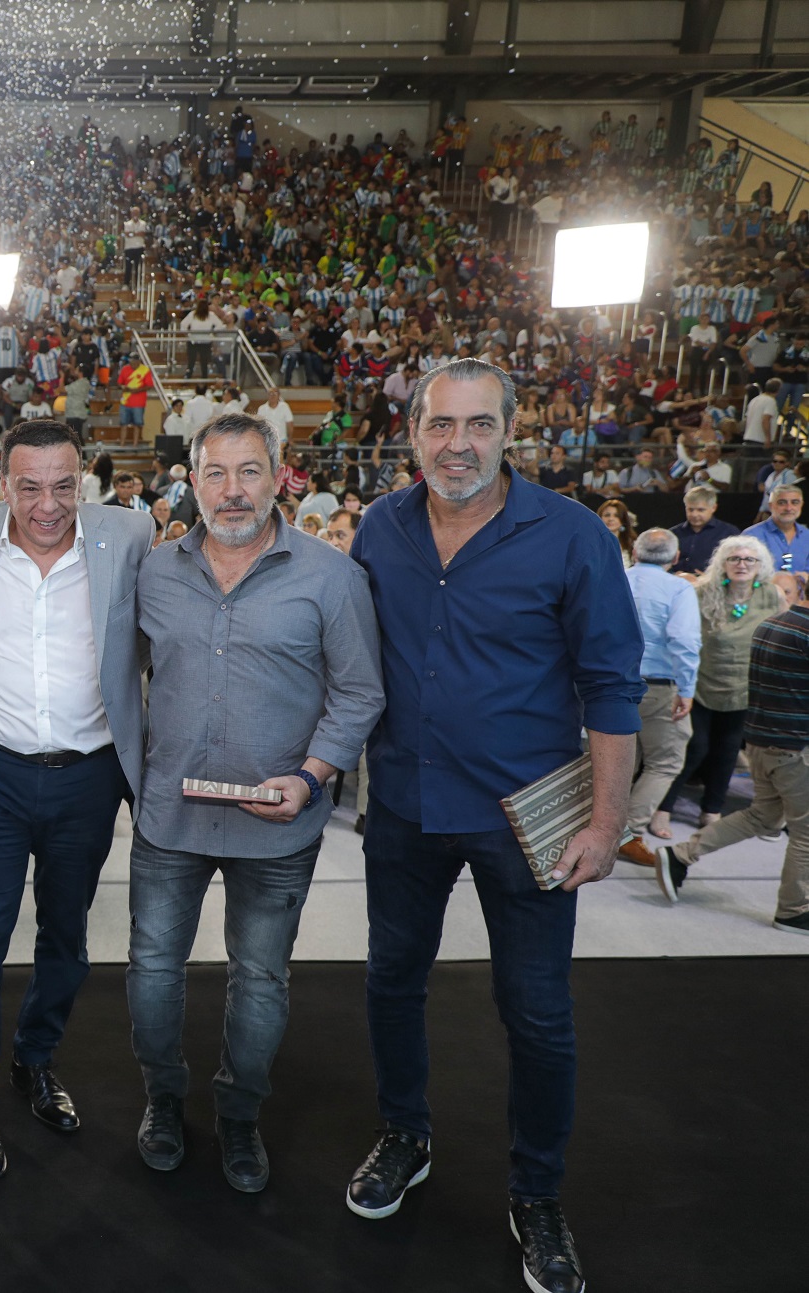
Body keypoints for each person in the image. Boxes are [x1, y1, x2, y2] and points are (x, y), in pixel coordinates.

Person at [347, 358, 642, 1293]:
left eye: (478, 425)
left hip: (529, 820)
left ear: (510, 431)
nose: (457, 444)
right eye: (440, 425)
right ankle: (405, 1134)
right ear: (413, 433)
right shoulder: (379, 529)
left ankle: (538, 1193)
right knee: (393, 982)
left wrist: (606, 822)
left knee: (539, 1015)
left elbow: (612, 685)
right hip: (402, 804)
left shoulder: (571, 535)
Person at [128, 411, 382, 1193]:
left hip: (280, 823)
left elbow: (361, 690)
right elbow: (118, 672)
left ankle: (241, 1112)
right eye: (215, 473)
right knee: (152, 969)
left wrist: (309, 777)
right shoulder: (154, 572)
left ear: (279, 476)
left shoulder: (331, 576)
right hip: (170, 818)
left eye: (248, 472)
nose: (232, 491)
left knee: (261, 978)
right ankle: (163, 1099)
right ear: (192, 479)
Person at [0, 419, 152, 1179]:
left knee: (68, 937)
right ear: (2, 483)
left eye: (64, 485)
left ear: (84, 480)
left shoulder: (129, 533)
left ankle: (35, 1058)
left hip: (88, 773)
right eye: (30, 486)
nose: (48, 504)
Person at [649, 587, 809, 922]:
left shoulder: (772, 624)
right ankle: (794, 911)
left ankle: (681, 855)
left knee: (761, 817)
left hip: (762, 744)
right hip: (796, 750)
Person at [652, 537, 785, 837]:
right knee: (694, 748)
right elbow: (680, 637)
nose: (742, 564)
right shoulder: (702, 592)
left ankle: (711, 810)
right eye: (735, 559)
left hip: (745, 690)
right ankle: (663, 808)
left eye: (749, 560)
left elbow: (782, 636)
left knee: (727, 752)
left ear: (760, 565)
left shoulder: (771, 596)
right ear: (722, 564)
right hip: (699, 686)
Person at [613, 530, 701, 869]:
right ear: (676, 559)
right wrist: (687, 689)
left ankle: (602, 827)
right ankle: (628, 833)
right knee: (665, 762)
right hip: (658, 686)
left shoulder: (615, 578)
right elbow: (684, 641)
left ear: (634, 551)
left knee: (618, 761)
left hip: (608, 684)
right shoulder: (679, 588)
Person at [672, 485, 739, 575]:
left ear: (713, 508)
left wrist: (710, 579)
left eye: (700, 510)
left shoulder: (729, 533)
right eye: (690, 510)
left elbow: (736, 564)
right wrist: (673, 574)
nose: (694, 514)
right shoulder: (673, 534)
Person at [745, 483, 809, 576]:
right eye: (782, 503)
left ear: (801, 505)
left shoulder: (807, 536)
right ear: (771, 506)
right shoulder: (752, 536)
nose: (788, 508)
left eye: (795, 502)